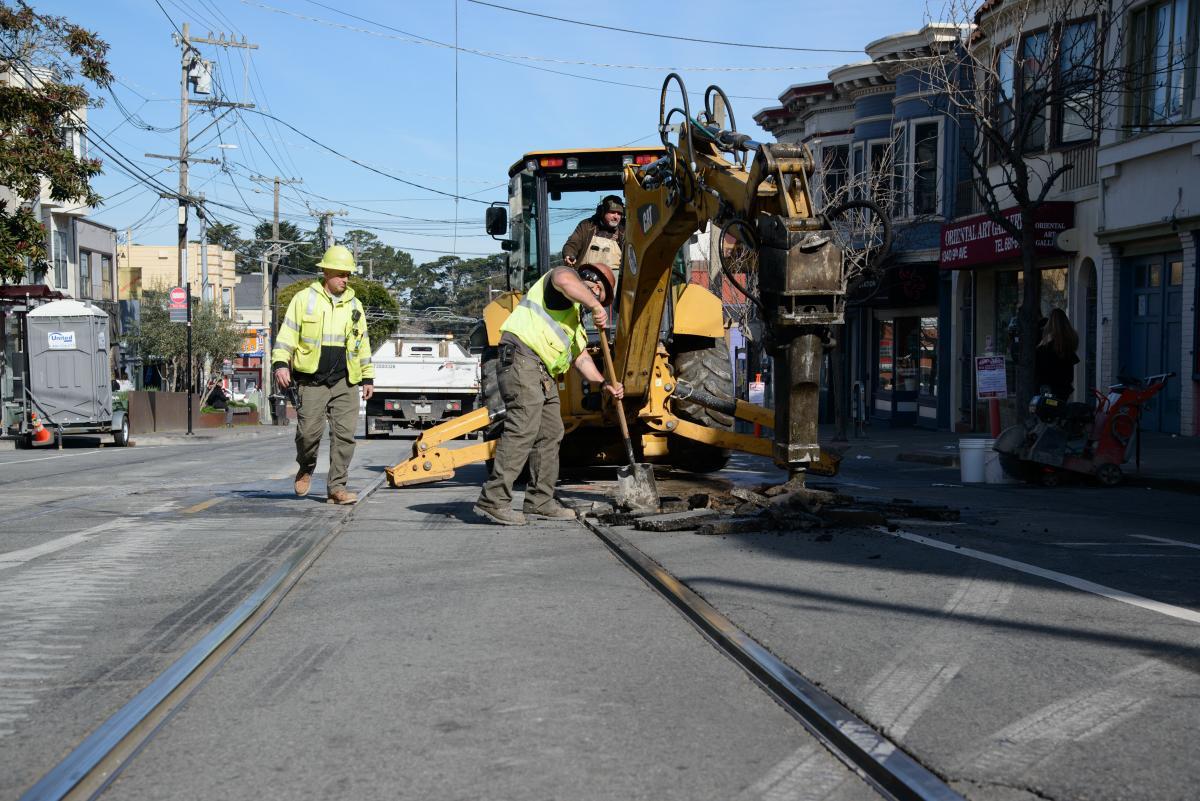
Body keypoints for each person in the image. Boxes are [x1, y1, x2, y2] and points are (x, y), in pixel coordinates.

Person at [474, 263, 624, 526]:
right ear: (594, 285)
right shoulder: (560, 280)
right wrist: (595, 305)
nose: (596, 306)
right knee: (523, 428)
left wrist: (604, 384)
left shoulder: (572, 322)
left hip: (542, 372)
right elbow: (565, 281)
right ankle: (494, 500)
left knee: (552, 432)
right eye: (599, 297)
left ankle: (540, 500)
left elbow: (581, 358)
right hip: (522, 358)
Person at [272, 245, 375, 505]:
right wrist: (280, 364)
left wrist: (367, 377)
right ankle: (306, 467)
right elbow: (286, 336)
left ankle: (337, 487)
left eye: (348, 274)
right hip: (312, 380)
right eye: (341, 274)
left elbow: (362, 344)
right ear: (326, 272)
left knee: (345, 437)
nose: (346, 279)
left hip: (345, 381)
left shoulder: (355, 305)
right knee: (308, 434)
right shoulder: (304, 299)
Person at [563, 195, 625, 286]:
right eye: (612, 212)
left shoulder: (625, 230)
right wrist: (569, 254)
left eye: (619, 213)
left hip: (614, 281)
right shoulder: (587, 226)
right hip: (586, 278)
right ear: (602, 212)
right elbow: (573, 243)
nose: (616, 217)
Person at [1035, 308, 1080, 400]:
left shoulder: (1046, 343)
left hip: (1048, 387)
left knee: (1048, 408)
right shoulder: (1069, 340)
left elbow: (1041, 365)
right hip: (1064, 386)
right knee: (1059, 407)